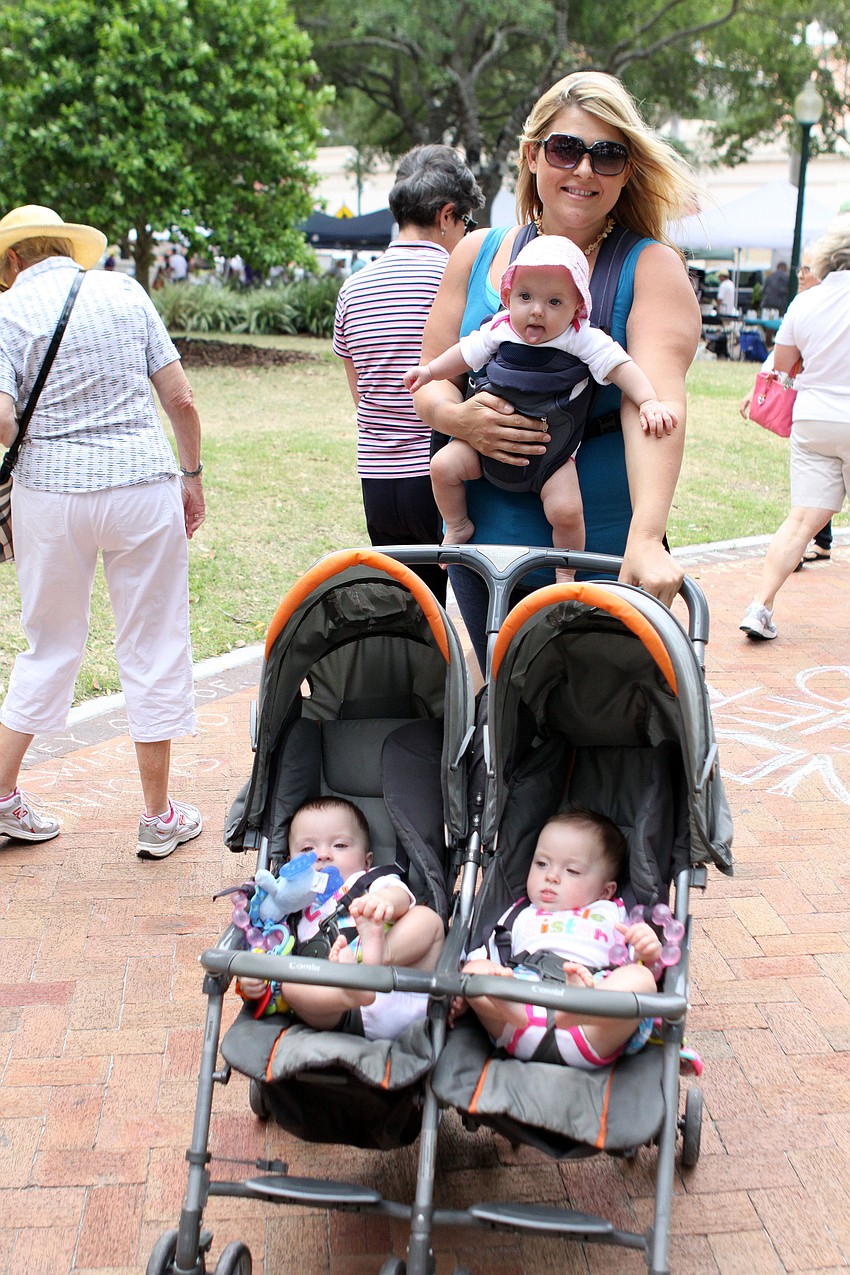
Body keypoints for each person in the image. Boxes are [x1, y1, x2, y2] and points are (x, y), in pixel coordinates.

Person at [411, 72, 701, 668]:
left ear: (628, 170)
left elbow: (653, 406)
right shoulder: (476, 252)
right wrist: (461, 420)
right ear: (532, 156)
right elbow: (432, 380)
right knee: (504, 705)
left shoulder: (651, 268)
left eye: (608, 155)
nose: (585, 170)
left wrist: (647, 538)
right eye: (566, 149)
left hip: (602, 550)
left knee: (597, 712)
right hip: (485, 554)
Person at [0, 204, 205, 857]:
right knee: (152, 640)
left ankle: (1, 797)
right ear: (66, 247)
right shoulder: (124, 291)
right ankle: (158, 816)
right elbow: (181, 399)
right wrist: (192, 475)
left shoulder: (7, 312)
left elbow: (2, 421)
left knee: (49, 643)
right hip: (141, 484)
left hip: (48, 495)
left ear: (13, 259)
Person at [405, 235, 676, 566]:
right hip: (483, 448)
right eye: (525, 297)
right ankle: (458, 525)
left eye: (554, 302)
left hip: (552, 457)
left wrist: (648, 401)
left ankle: (566, 569)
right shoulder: (500, 328)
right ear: (508, 296)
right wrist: (429, 371)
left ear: (577, 307)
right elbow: (462, 354)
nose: (536, 311)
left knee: (567, 511)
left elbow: (621, 367)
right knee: (442, 466)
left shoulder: (581, 337)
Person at [333, 144, 484, 605]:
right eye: (465, 223)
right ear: (446, 215)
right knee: (449, 606)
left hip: (377, 479)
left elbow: (360, 393)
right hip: (439, 476)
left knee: (403, 610)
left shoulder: (353, 288)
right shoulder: (456, 282)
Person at [456, 808, 660, 1068]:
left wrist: (647, 952)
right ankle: (511, 1007)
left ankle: (582, 1007)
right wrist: (467, 989)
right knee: (474, 970)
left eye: (572, 870)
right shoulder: (520, 912)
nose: (550, 876)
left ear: (605, 891)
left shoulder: (614, 913)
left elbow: (642, 966)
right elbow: (486, 953)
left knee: (641, 979)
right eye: (541, 864)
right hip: (519, 1010)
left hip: (591, 1024)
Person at [236, 797, 444, 1039]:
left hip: (399, 983)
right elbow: (263, 946)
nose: (323, 855)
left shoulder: (368, 881)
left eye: (340, 845)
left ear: (366, 860)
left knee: (427, 920)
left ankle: (379, 954)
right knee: (290, 986)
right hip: (342, 1009)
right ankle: (350, 991)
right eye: (307, 850)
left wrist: (384, 901)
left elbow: (401, 897)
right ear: (290, 863)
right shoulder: (288, 907)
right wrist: (251, 978)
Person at [740, 214, 850, 641]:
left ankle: (760, 605)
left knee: (801, 520)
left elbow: (783, 365)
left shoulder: (806, 302)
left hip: (813, 417)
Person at [738, 249, 832, 568]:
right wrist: (755, 390)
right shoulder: (806, 305)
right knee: (816, 483)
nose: (800, 274)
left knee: (815, 485)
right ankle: (819, 541)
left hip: (819, 411)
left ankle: (809, 543)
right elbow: (779, 360)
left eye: (807, 268)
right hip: (813, 411)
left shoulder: (818, 306)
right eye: (799, 268)